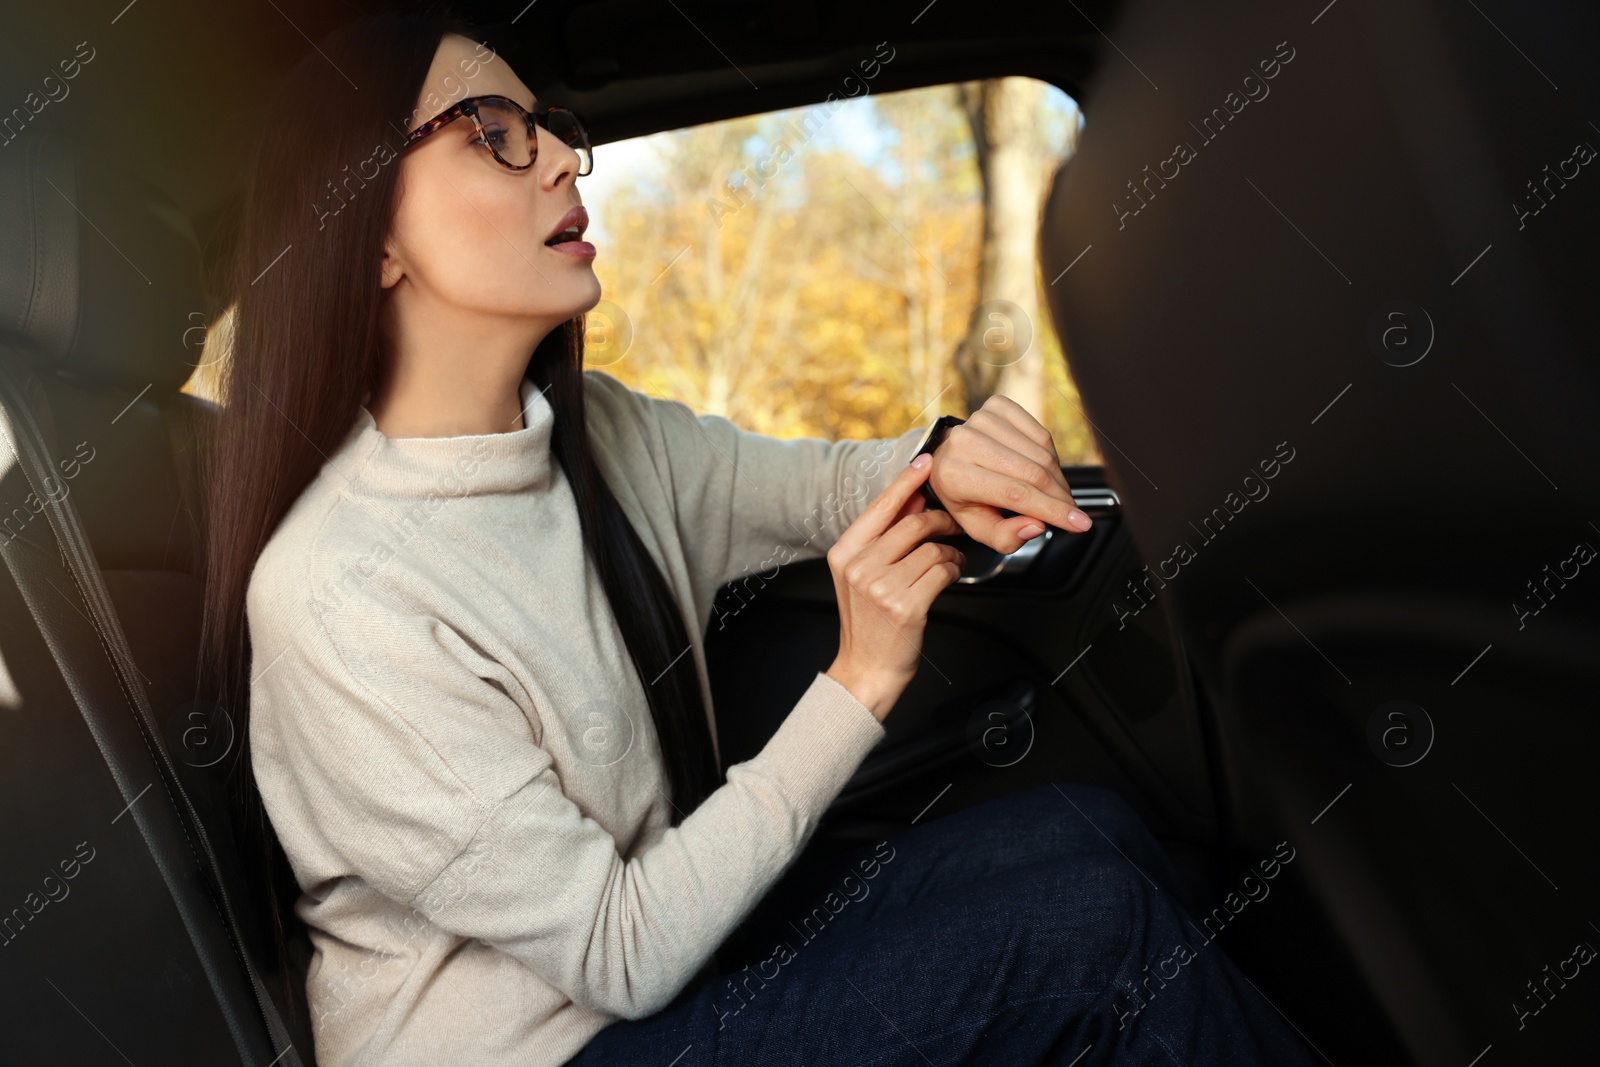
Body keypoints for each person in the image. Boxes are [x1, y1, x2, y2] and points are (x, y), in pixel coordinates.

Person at [199, 9, 1319, 1066]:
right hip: (563, 1043)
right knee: (1091, 924)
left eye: (552, 131)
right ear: (369, 234)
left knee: (1096, 830)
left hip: (663, 983)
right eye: (493, 135)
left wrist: (946, 457)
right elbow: (616, 950)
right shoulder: (340, 590)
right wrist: (858, 681)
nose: (560, 163)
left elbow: (823, 482)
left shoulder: (608, 443)